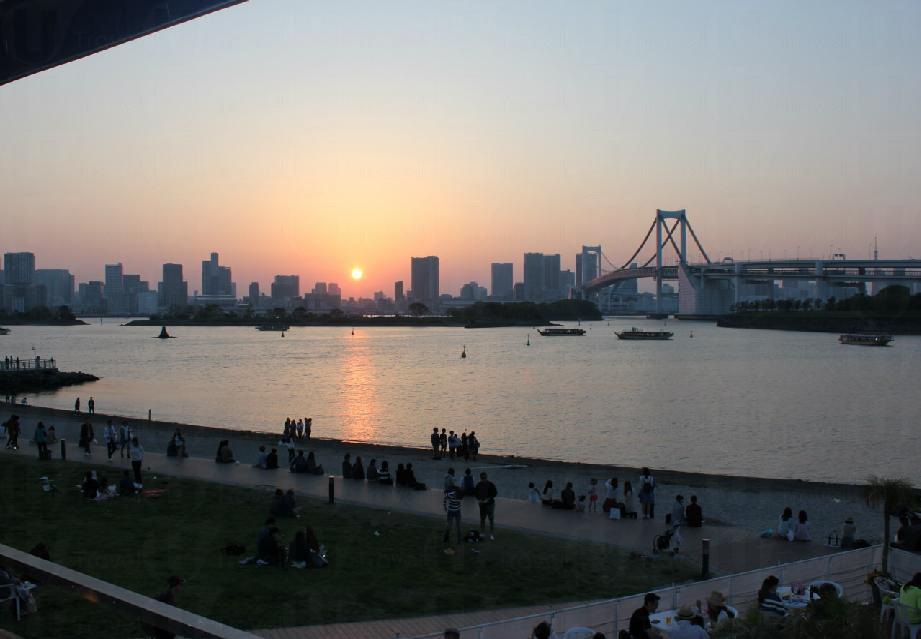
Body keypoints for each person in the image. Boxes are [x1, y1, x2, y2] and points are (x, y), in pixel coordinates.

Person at [475, 472, 498, 539]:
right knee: (482, 519)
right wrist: (479, 500)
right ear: (480, 478)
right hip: (482, 505)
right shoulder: (478, 485)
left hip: (490, 505)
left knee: (491, 519)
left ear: (486, 477)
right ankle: (482, 532)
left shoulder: (491, 484)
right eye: (482, 478)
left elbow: (495, 493)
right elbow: (476, 493)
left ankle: (491, 534)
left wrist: (488, 499)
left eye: (484, 478)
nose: (483, 479)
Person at [443, 480, 463, 547]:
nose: (457, 497)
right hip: (451, 511)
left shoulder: (460, 495)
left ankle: (459, 540)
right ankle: (446, 538)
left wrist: (445, 506)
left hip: (457, 511)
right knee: (449, 525)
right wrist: (445, 506)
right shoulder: (450, 494)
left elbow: (460, 500)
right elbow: (445, 498)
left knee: (459, 526)